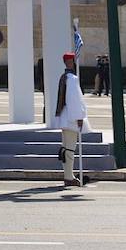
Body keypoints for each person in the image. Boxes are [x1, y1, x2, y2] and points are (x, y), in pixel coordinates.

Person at [52, 51, 90, 187]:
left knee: (66, 148)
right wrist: (79, 117)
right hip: (70, 118)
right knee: (69, 149)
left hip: (65, 117)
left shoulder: (64, 77)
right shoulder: (72, 78)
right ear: (70, 62)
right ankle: (69, 177)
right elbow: (74, 100)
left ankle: (68, 175)